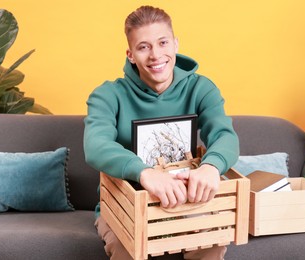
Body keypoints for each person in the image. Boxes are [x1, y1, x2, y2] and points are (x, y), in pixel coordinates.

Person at [84, 5, 239, 260]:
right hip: (125, 206)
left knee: (213, 240)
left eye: (163, 43)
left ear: (175, 44)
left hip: (188, 203)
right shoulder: (107, 95)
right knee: (127, 249)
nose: (156, 55)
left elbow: (225, 135)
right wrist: (144, 172)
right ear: (131, 54)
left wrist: (211, 167)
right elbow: (95, 145)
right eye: (143, 47)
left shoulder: (202, 88)